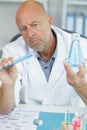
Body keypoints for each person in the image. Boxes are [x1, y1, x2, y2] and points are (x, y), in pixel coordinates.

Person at [0, 0, 87, 115]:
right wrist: (8, 85)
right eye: (23, 29)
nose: (30, 34)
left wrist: (80, 85)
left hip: (68, 121)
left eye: (34, 25)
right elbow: (4, 111)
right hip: (28, 120)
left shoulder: (82, 47)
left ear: (49, 21)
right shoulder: (12, 51)